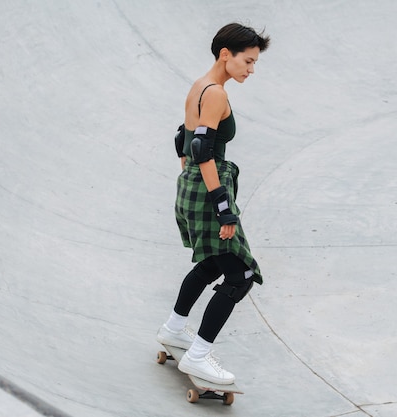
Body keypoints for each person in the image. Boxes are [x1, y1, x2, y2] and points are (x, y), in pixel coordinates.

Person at [157, 23, 270, 385]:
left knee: (210, 264)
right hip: (209, 189)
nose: (251, 70)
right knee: (241, 275)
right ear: (226, 54)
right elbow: (202, 150)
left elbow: (183, 140)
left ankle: (174, 330)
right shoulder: (217, 93)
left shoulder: (199, 86)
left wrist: (190, 182)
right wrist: (223, 207)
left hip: (192, 184)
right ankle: (199, 356)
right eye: (248, 61)